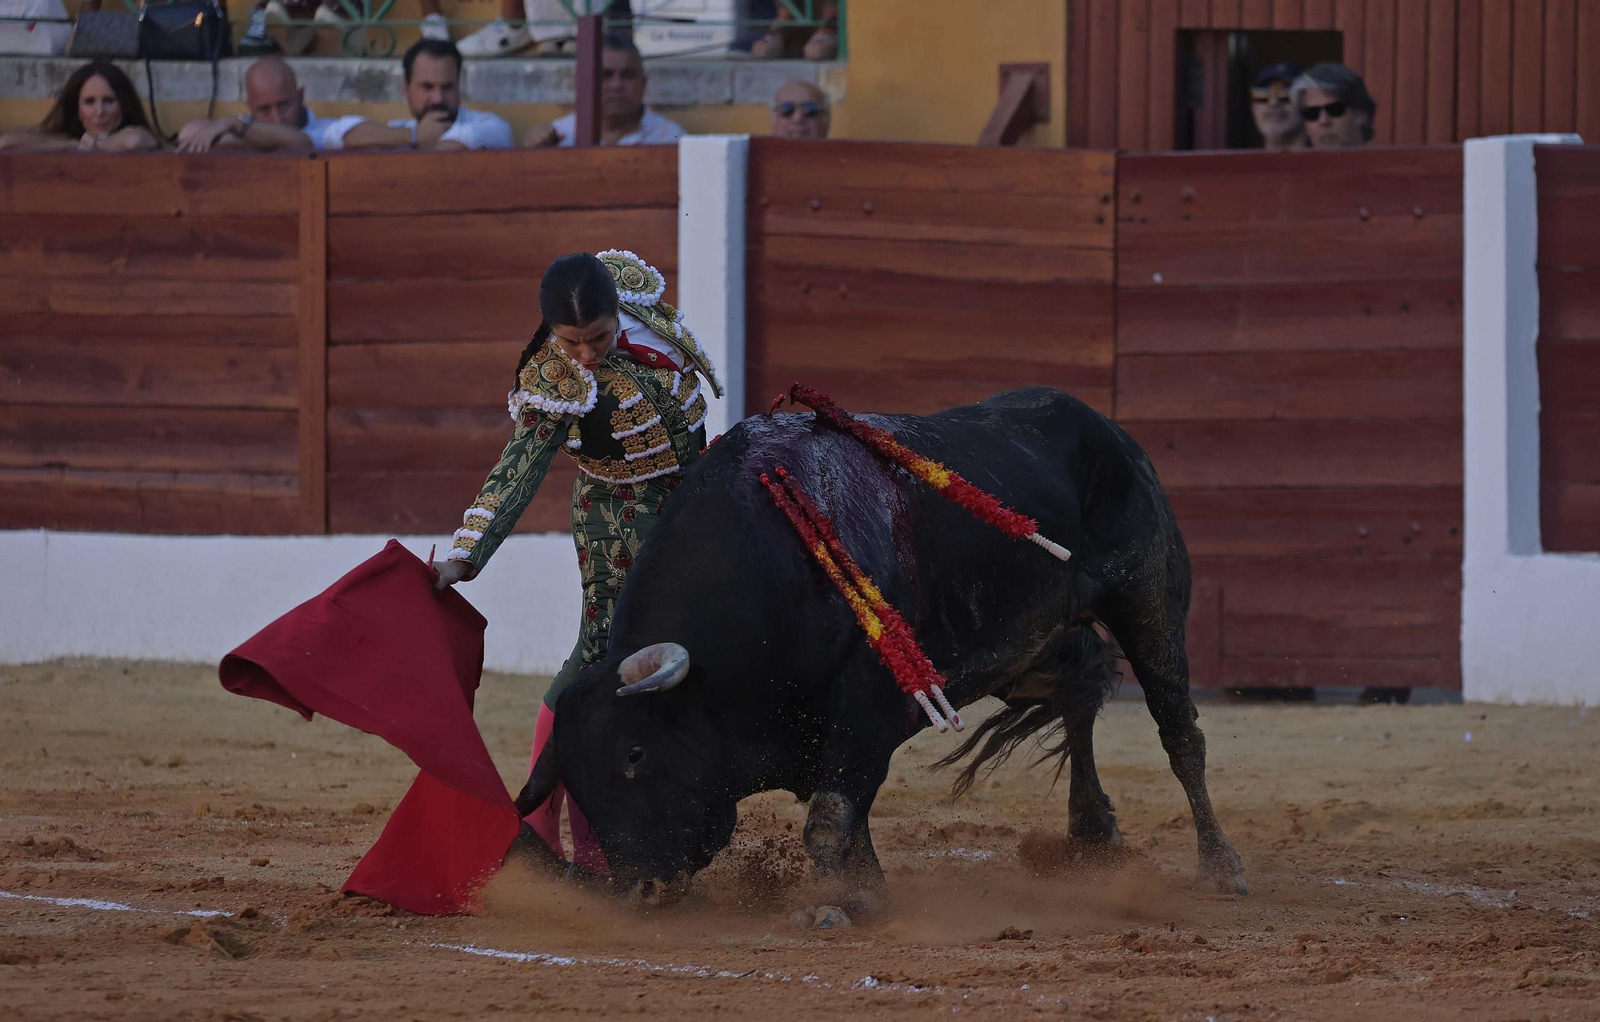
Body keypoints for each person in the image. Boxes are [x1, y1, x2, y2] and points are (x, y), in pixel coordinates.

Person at [432, 249, 724, 869]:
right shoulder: (553, 382)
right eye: (572, 343)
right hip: (617, 516)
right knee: (599, 656)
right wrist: (465, 556)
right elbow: (517, 470)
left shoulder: (637, 304)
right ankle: (545, 825)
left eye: (598, 337)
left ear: (619, 310)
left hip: (690, 504)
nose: (587, 356)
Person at [336, 39, 514, 151]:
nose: (438, 99)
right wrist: (413, 136)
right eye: (427, 87)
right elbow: (340, 134)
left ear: (459, 86)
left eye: (447, 87)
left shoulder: (490, 125)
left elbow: (464, 142)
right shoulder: (400, 129)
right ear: (406, 89)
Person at [175, 57, 365, 153]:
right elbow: (187, 133)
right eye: (264, 109)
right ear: (250, 107)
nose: (277, 118)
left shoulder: (327, 131)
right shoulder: (243, 127)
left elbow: (300, 142)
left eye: (283, 106)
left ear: (300, 97)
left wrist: (233, 127)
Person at [523, 37, 682, 147]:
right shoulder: (558, 136)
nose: (616, 85)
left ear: (643, 84)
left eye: (627, 75)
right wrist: (536, 152)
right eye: (605, 75)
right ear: (586, 82)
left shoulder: (672, 138)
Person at [0, 61, 158, 153]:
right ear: (77, 109)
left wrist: (94, 144)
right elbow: (6, 142)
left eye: (108, 101)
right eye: (90, 102)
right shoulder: (67, 138)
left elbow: (134, 141)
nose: (99, 112)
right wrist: (73, 144)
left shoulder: (137, 132)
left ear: (123, 106)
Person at [1293, 62, 1377, 150]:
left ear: (1361, 115)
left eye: (1335, 109)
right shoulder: (1293, 164)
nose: (1324, 121)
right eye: (1312, 113)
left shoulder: (1384, 163)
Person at [1249, 62, 1307, 153]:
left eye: (1286, 93)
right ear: (1253, 108)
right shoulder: (1238, 166)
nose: (1273, 102)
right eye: (1263, 94)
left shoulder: (1329, 165)